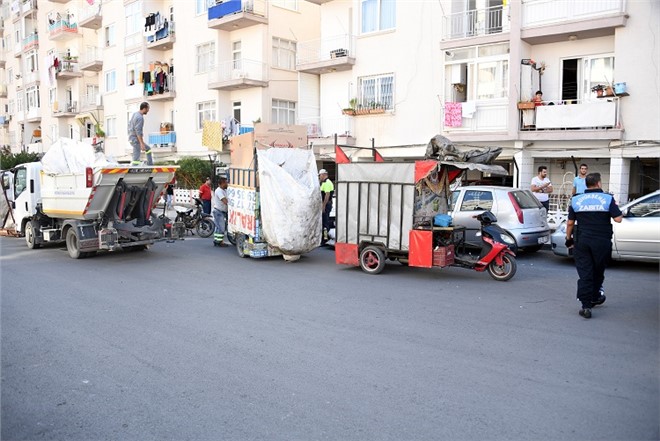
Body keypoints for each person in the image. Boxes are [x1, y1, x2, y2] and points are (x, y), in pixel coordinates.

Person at [565, 173, 622, 319]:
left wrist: (568, 238)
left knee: (585, 273)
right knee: (598, 271)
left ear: (586, 184)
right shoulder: (607, 198)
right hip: (602, 241)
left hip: (582, 241)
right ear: (598, 183)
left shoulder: (576, 200)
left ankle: (586, 306)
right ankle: (595, 296)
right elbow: (618, 219)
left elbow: (570, 222)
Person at [128, 102, 153, 166]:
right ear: (144, 108)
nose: (148, 110)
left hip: (131, 137)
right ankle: (134, 169)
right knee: (136, 159)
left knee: (148, 149)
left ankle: (150, 165)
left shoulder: (135, 114)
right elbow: (138, 131)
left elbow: (129, 125)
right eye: (148, 109)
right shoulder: (140, 118)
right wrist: (141, 143)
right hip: (136, 139)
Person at [212, 177, 229, 247]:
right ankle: (220, 242)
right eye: (226, 182)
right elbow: (224, 201)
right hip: (219, 211)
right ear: (222, 183)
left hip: (220, 211)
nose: (227, 184)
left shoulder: (224, 190)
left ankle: (216, 240)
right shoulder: (219, 191)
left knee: (218, 227)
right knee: (221, 227)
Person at [319, 169, 334, 243]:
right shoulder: (323, 183)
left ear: (324, 174)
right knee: (323, 222)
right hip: (326, 204)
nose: (319, 177)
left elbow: (327, 195)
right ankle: (323, 238)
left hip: (326, 205)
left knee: (325, 223)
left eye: (320, 175)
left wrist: (323, 206)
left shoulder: (327, 183)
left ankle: (325, 239)